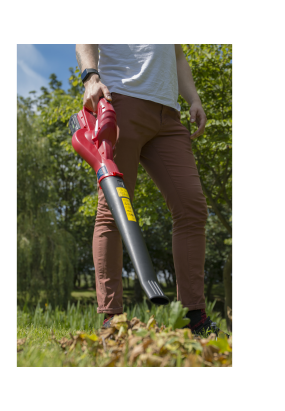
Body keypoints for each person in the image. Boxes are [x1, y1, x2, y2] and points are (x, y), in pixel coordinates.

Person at [75, 44, 215, 334]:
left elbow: (177, 55)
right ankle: (111, 319)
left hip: (169, 115)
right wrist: (91, 77)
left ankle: (194, 317)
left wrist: (193, 97)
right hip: (122, 102)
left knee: (192, 207)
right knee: (113, 209)